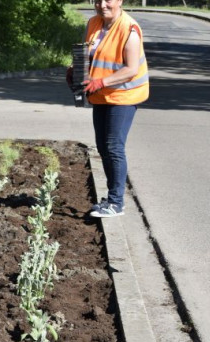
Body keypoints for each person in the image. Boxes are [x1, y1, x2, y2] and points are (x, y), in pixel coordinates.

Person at [74, 0, 149, 218]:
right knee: (102, 146)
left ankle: (116, 203)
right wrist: (76, 70)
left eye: (108, 0)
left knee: (114, 145)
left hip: (124, 94)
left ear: (120, 1)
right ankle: (110, 199)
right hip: (101, 95)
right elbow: (89, 55)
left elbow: (131, 69)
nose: (102, 4)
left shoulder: (130, 29)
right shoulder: (93, 23)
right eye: (97, 0)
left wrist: (101, 82)